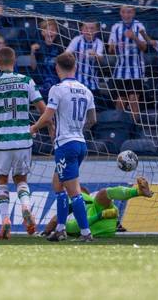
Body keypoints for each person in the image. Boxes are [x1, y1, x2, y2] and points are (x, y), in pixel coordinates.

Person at [30, 52, 97, 242]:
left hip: (65, 145)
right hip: (80, 143)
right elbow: (93, 120)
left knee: (73, 191)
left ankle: (86, 233)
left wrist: (34, 128)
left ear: (57, 68)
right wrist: (77, 128)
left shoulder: (57, 89)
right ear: (75, 67)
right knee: (57, 184)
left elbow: (48, 116)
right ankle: (60, 229)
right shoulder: (86, 90)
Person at [0, 47, 51, 239]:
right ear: (14, 61)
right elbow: (44, 110)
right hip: (23, 139)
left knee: (1, 180)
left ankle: (5, 219)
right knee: (21, 180)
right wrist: (46, 127)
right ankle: (25, 208)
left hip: (0, 141)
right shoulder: (26, 81)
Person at [42, 177, 153, 238]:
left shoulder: (74, 196)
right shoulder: (87, 198)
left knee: (70, 226)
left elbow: (55, 220)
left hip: (94, 222)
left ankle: (138, 191)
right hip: (107, 224)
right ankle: (137, 191)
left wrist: (45, 232)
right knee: (104, 193)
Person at [108, 5, 147, 115]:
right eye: (124, 12)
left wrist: (134, 37)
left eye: (129, 12)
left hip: (136, 71)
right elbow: (111, 50)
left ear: (134, 13)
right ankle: (119, 126)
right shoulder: (116, 27)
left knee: (133, 101)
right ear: (120, 12)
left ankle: (135, 128)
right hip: (120, 71)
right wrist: (112, 47)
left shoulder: (139, 26)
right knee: (120, 102)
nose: (126, 15)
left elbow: (144, 48)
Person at [66, 20, 105, 99]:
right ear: (81, 29)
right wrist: (70, 56)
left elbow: (101, 59)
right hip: (76, 80)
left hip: (92, 81)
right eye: (86, 28)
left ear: (97, 30)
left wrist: (95, 54)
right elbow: (66, 53)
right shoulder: (77, 40)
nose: (89, 31)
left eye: (92, 28)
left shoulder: (99, 43)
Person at [29, 19, 61, 97]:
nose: (50, 32)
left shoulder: (60, 48)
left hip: (55, 84)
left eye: (53, 30)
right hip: (40, 82)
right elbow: (33, 67)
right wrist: (32, 52)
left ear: (56, 33)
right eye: (48, 30)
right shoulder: (38, 47)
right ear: (42, 32)